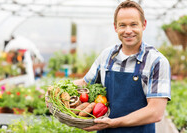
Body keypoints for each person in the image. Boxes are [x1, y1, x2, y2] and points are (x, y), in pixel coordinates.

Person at [73, 0, 171, 133]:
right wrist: (56, 88)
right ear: (115, 27)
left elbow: (155, 112)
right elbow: (85, 83)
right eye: (122, 25)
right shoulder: (107, 55)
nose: (128, 31)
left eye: (133, 24)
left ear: (144, 24)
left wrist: (113, 123)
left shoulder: (156, 61)